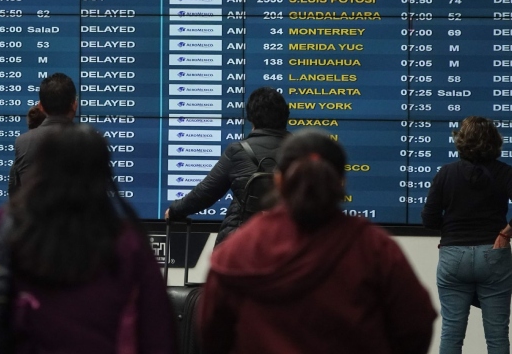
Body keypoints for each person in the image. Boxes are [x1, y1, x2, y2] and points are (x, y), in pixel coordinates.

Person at [0, 123, 178, 354]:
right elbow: (157, 332)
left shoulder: (7, 224)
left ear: (42, 167)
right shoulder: (126, 241)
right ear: (102, 173)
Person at [198, 130, 436, 354]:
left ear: (279, 181)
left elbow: (210, 331)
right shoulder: (374, 248)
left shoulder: (237, 250)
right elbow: (417, 323)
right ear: (341, 182)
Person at [422, 116, 512, 354]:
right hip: (494, 255)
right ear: (494, 141)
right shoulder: (505, 173)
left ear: (460, 141)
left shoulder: (446, 173)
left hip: (453, 257)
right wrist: (506, 233)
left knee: (451, 333)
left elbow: (428, 219)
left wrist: (451, 231)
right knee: (497, 335)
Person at [165, 86, 290, 245]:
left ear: (250, 118)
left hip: (243, 244)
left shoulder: (238, 151)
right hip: (290, 243)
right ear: (286, 115)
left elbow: (206, 192)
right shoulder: (303, 151)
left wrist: (175, 210)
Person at [8, 72, 77, 194]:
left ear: (40, 106)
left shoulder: (22, 142)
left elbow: (14, 196)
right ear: (74, 105)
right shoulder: (91, 141)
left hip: (33, 213)